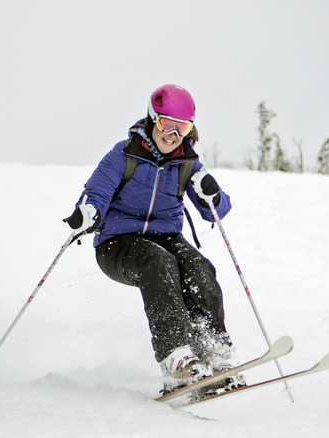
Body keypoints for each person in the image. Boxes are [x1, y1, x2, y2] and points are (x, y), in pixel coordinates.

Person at [64, 84, 242, 393]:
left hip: (166, 237)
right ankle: (176, 359)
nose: (173, 135)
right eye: (166, 124)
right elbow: (97, 194)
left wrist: (210, 194)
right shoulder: (123, 155)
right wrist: (89, 213)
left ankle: (213, 352)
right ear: (152, 119)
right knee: (158, 262)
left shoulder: (187, 164)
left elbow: (216, 213)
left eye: (181, 128)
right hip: (117, 244)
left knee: (199, 267)